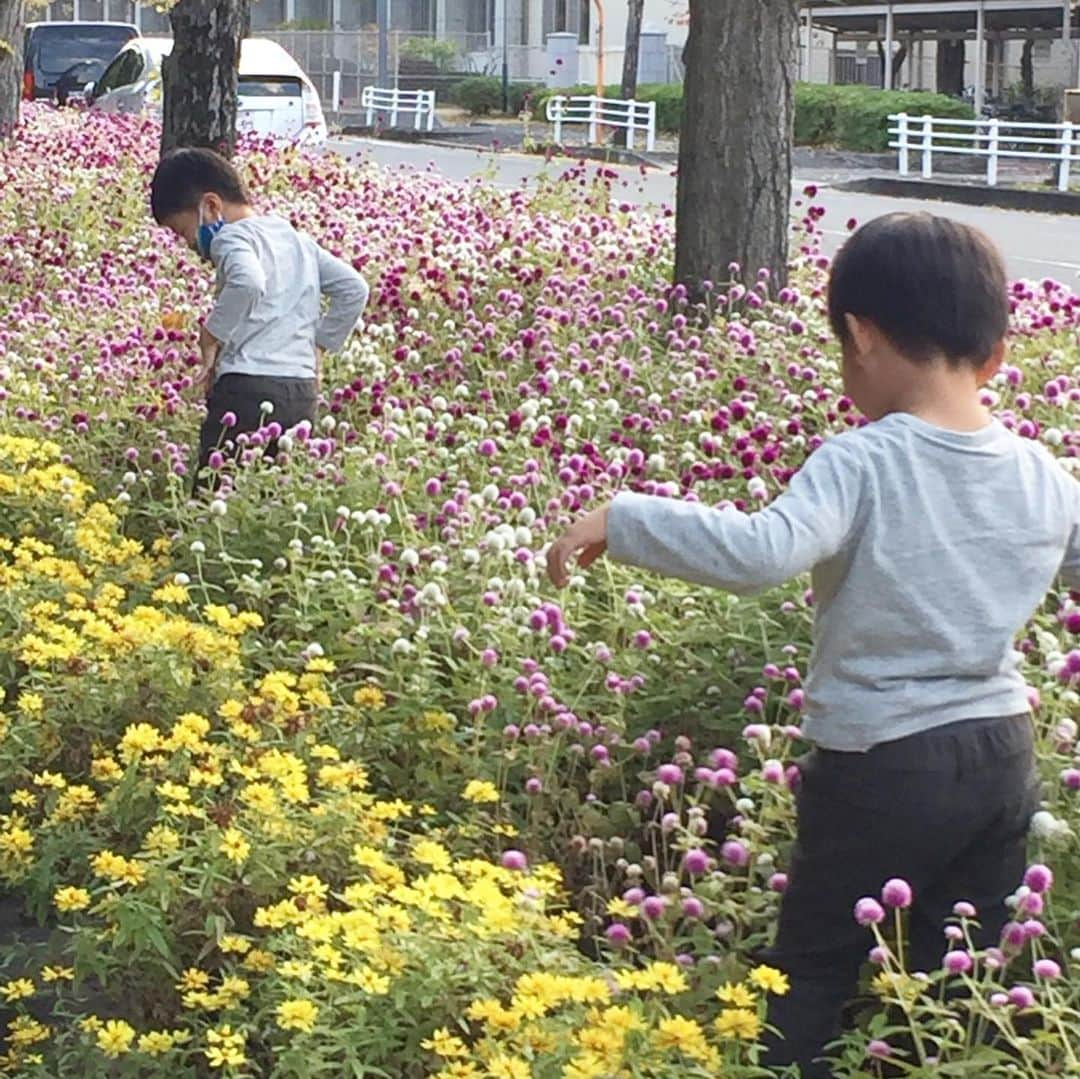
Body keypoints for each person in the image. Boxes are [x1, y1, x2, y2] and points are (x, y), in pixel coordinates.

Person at [546, 213, 1080, 1078]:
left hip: (880, 761)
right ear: (993, 353)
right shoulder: (1044, 473)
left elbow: (765, 552)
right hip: (999, 753)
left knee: (818, 964)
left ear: (862, 337)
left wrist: (627, 516)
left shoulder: (863, 461)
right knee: (964, 974)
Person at [149, 147, 369, 486]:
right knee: (275, 497)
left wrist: (212, 335)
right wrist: (319, 348)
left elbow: (248, 281)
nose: (189, 244)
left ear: (210, 207)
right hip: (300, 393)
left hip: (247, 391)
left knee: (214, 499)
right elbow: (354, 289)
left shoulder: (230, 237)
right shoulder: (295, 240)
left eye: (183, 232)